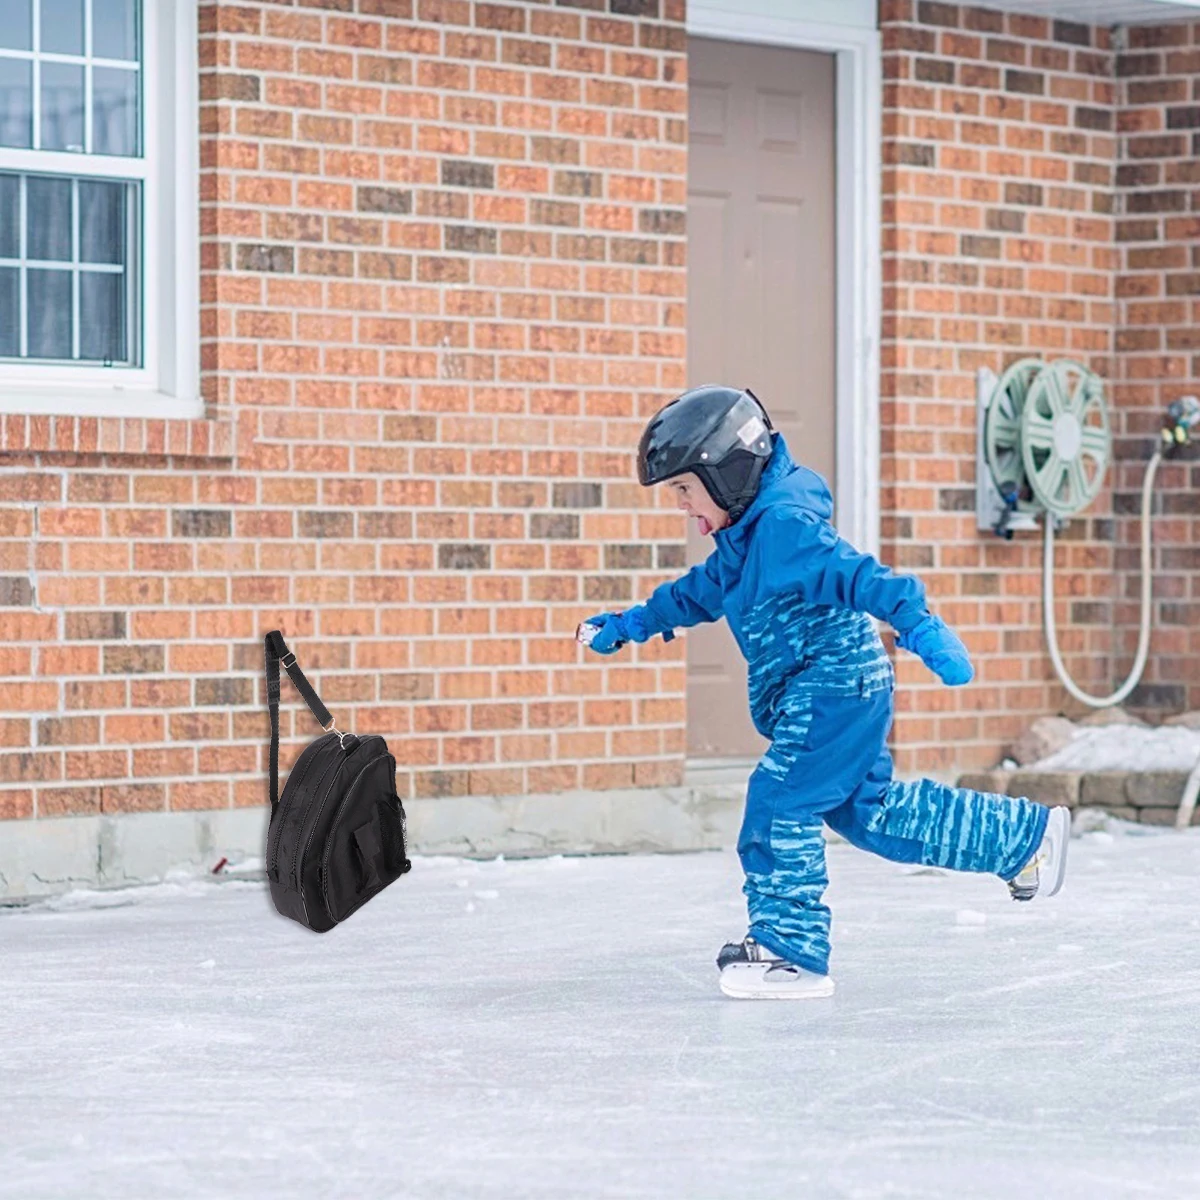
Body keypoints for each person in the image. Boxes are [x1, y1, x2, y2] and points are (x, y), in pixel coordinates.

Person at [581, 386, 1070, 1000]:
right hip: (840, 688)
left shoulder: (784, 530)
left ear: (727, 472)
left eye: (684, 489)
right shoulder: (741, 542)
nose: (679, 505)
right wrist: (627, 625)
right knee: (873, 815)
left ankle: (791, 950)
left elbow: (860, 576)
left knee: (779, 802)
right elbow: (697, 593)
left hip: (832, 685)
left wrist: (918, 624)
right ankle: (1024, 840)